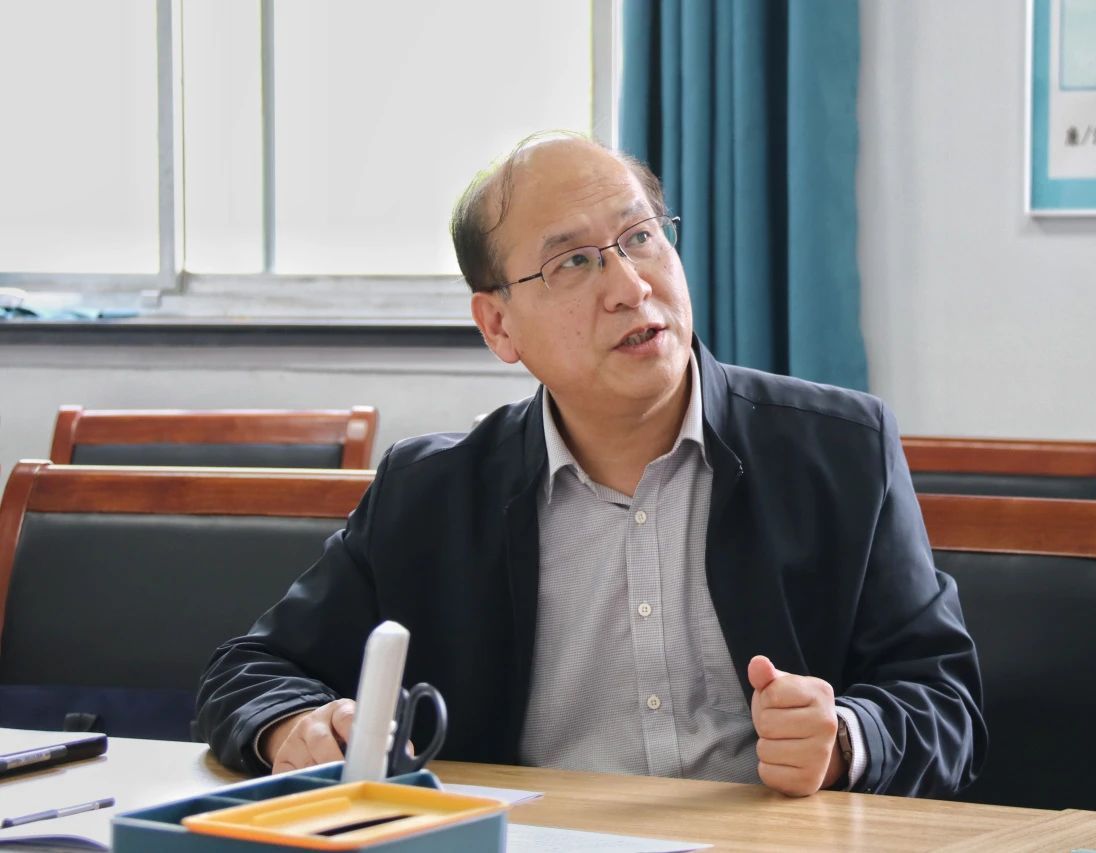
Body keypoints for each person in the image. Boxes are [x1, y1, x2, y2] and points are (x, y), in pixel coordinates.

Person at [195, 133, 986, 798]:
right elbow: (251, 670)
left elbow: (945, 700)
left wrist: (845, 737)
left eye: (640, 237)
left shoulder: (840, 450)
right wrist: (293, 727)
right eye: (573, 262)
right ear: (498, 325)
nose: (631, 286)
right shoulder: (430, 496)